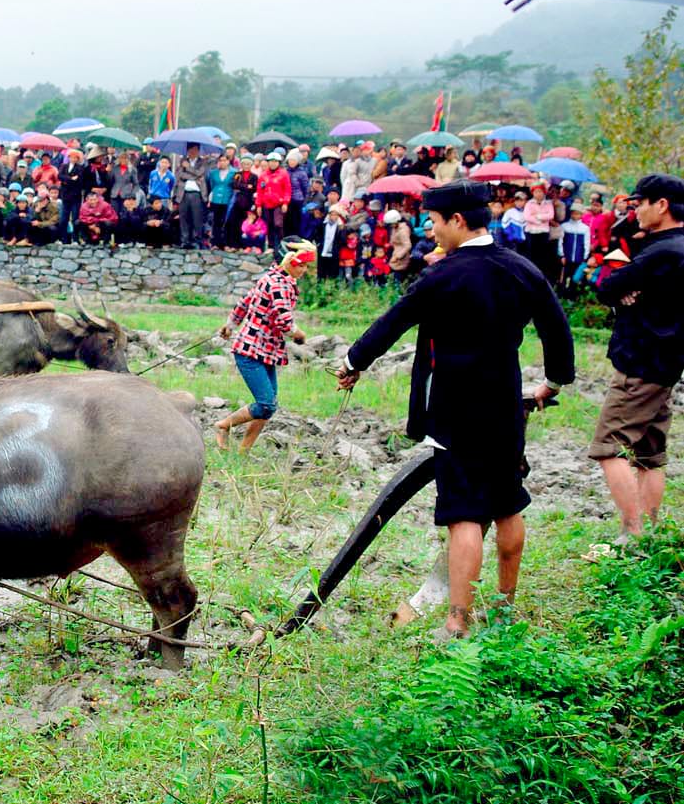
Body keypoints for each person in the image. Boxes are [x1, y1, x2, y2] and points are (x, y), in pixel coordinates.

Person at [336, 181, 574, 639]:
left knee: (463, 515)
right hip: (506, 405)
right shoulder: (523, 269)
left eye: (435, 221)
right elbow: (557, 331)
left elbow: (393, 322)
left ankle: (457, 621)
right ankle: (503, 609)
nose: (432, 228)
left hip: (455, 410)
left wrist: (352, 362)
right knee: (507, 507)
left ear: (458, 221)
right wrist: (553, 382)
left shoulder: (444, 276)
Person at [589, 174, 684, 540]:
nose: (636, 211)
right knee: (650, 454)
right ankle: (653, 533)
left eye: (640, 203)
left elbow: (607, 287)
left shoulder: (661, 251)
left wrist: (624, 292)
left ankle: (633, 533)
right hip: (667, 364)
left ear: (661, 205)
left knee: (607, 447)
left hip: (640, 364)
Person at [215, 242, 315, 450]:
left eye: (306, 266)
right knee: (266, 403)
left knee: (268, 407)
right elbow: (284, 320)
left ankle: (243, 452)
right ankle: (223, 425)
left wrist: (229, 326)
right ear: (289, 262)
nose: (304, 271)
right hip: (251, 350)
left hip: (265, 350)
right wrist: (298, 335)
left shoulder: (271, 277)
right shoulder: (280, 284)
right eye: (301, 265)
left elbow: (244, 303)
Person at [175, 144, 207, 248]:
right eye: (190, 149)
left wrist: (188, 168)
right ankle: (185, 240)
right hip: (183, 192)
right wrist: (194, 176)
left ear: (198, 150)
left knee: (196, 218)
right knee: (184, 217)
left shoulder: (202, 162)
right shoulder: (182, 161)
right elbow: (180, 175)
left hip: (196, 193)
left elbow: (200, 173)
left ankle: (196, 240)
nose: (192, 152)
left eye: (195, 149)